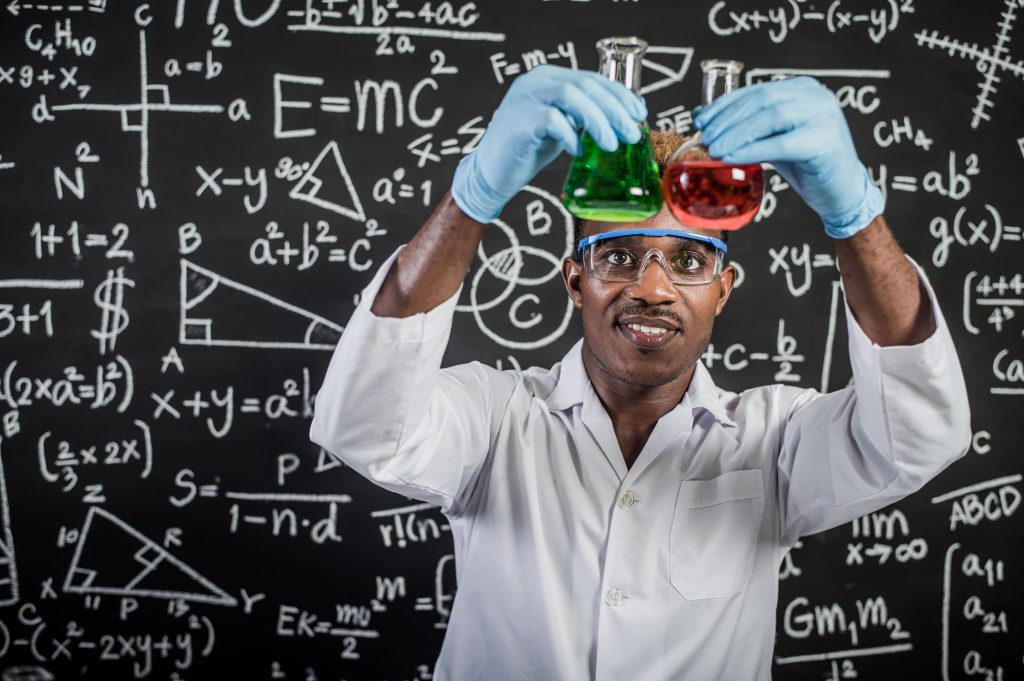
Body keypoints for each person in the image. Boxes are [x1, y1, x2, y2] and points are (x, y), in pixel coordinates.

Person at [310, 65, 970, 680]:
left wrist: (853, 213)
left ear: (724, 289)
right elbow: (367, 427)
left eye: (688, 262)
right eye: (618, 255)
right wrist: (474, 194)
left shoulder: (773, 440)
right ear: (574, 281)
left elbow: (916, 436)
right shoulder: (496, 419)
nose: (652, 288)